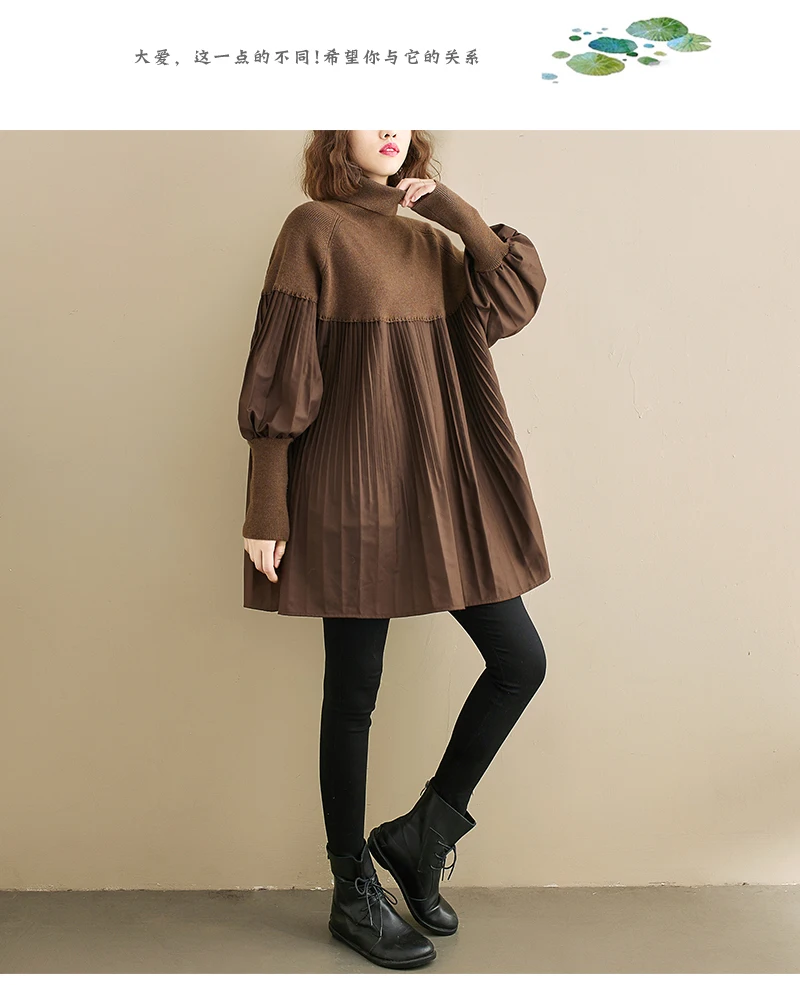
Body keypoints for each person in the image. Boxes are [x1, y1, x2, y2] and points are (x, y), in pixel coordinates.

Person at [237, 131, 551, 970]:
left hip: (440, 486)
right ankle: (352, 888)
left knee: (519, 659)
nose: (390, 125)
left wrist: (456, 212)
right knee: (354, 690)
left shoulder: (436, 241)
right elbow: (282, 368)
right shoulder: (313, 229)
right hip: (350, 486)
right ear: (335, 132)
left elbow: (514, 296)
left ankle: (421, 835)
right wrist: (266, 503)